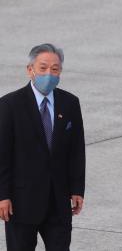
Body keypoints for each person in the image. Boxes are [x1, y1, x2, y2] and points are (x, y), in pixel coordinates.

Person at [0, 43, 86, 250]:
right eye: (43, 68)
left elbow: (76, 150)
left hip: (58, 201)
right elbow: (2, 154)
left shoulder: (70, 103)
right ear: (30, 70)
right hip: (21, 203)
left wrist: (77, 189)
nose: (49, 74)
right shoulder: (10, 105)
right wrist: (2, 195)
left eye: (55, 69)